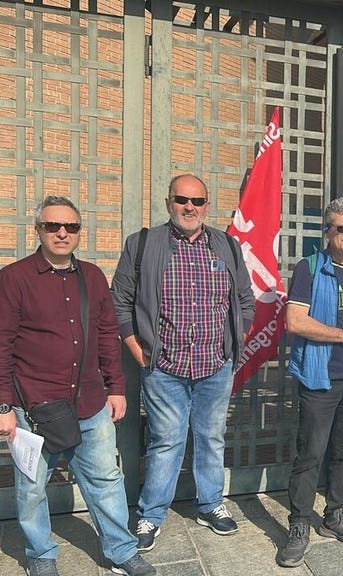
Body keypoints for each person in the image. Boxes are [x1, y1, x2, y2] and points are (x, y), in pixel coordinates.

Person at [0, 196, 155, 576]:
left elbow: (108, 335)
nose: (62, 233)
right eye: (53, 226)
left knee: (106, 480)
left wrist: (116, 387)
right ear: (38, 230)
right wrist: (2, 406)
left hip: (89, 403)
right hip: (33, 407)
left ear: (79, 232)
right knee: (31, 488)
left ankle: (121, 551)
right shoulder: (14, 278)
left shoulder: (92, 277)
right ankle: (41, 554)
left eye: (71, 226)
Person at [111, 174, 255, 552]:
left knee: (211, 437)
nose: (189, 207)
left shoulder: (226, 245)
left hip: (215, 365)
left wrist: (233, 343)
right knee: (166, 441)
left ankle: (210, 504)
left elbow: (244, 298)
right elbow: (119, 302)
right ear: (168, 203)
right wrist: (137, 349)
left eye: (197, 201)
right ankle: (151, 514)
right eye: (182, 200)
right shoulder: (143, 244)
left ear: (207, 205)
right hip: (164, 368)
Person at [275, 197, 343, 567]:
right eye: (342, 228)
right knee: (310, 454)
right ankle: (299, 524)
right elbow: (295, 322)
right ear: (328, 231)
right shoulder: (310, 268)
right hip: (321, 378)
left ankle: (335, 515)